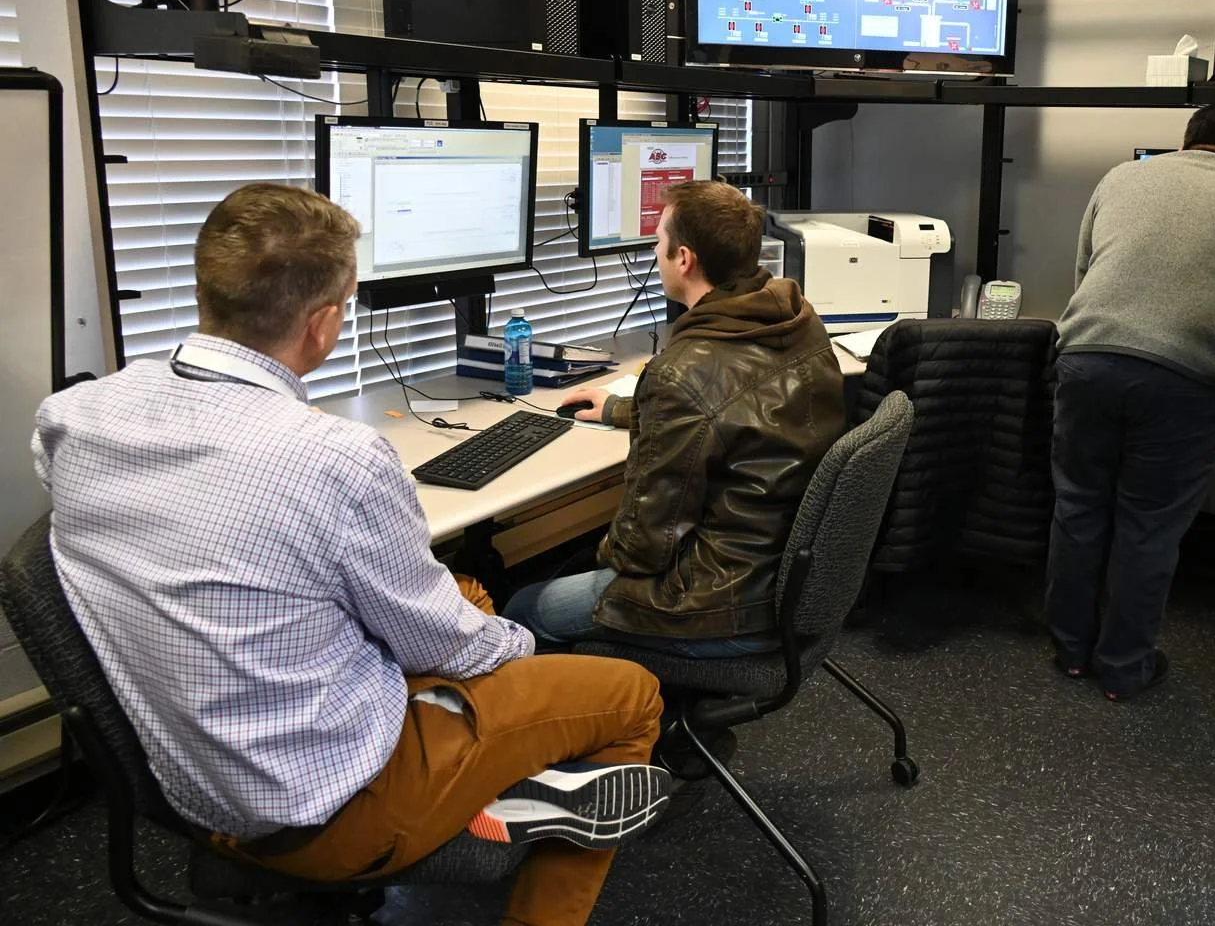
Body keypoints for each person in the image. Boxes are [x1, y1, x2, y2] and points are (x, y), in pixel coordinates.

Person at [32, 184, 671, 926]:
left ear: (210, 291)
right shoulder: (335, 457)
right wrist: (521, 652)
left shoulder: (74, 417)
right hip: (335, 812)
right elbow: (447, 643)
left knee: (459, 592)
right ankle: (509, 821)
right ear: (325, 321)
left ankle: (501, 780)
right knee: (629, 694)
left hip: (186, 791)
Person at [503, 181, 845, 656]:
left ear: (683, 259)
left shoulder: (684, 371)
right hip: (783, 574)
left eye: (658, 240)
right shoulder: (796, 318)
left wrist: (591, 558)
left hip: (717, 603)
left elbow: (642, 548)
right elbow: (728, 407)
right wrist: (623, 408)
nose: (653, 249)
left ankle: (603, 716)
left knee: (523, 606)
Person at [1043, 103, 1215, 699]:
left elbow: (1085, 270)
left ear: (1187, 141)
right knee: (1149, 527)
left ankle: (1070, 652)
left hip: (1088, 358)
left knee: (1079, 508)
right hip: (1185, 378)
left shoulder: (1123, 176)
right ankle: (1123, 668)